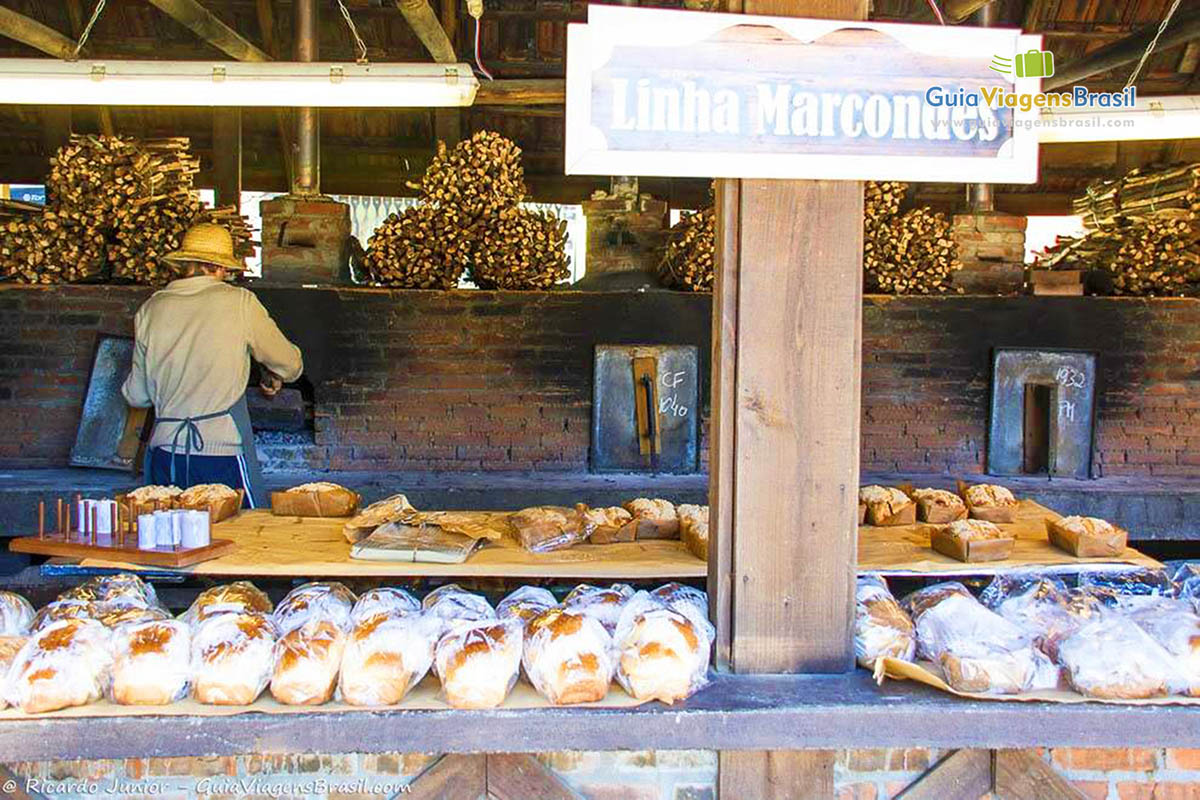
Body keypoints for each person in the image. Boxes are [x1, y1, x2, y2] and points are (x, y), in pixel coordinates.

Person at [121, 223, 303, 507]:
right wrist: (274, 373)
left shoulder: (151, 308)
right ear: (218, 267)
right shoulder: (239, 302)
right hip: (220, 455)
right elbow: (289, 365)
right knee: (238, 541)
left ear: (185, 264)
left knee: (169, 542)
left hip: (164, 454)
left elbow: (137, 395)